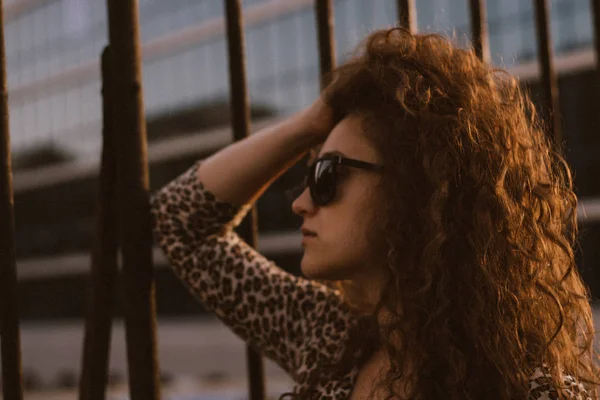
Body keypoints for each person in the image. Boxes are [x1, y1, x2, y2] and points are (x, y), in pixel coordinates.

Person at [150, 28, 598, 399]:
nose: (300, 202)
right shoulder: (331, 338)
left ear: (414, 189)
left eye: (327, 176)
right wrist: (311, 122)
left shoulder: (535, 392)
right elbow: (181, 222)